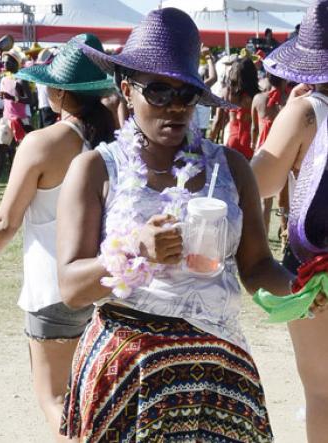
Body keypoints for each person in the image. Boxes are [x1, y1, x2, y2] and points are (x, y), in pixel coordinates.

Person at [56, 8, 301, 442]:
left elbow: (257, 265)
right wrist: (134, 249)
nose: (175, 106)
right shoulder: (95, 170)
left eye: (186, 94)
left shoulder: (232, 168)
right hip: (129, 370)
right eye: (159, 91)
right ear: (126, 90)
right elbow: (72, 288)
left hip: (219, 373)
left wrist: (299, 287)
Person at [0, 33, 115, 442]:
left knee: (56, 400)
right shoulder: (115, 142)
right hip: (106, 284)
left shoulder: (42, 144)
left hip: (53, 287)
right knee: (92, 399)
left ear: (57, 92)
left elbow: (5, 221)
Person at [252, 1, 328, 441]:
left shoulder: (307, 112)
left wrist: (281, 121)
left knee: (322, 392)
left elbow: (260, 182)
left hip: (320, 270)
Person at [0, 49, 35, 192]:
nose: (3, 64)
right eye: (3, 62)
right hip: (6, 118)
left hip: (20, 120)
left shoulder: (21, 79)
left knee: (20, 151)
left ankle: (23, 181)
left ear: (15, 63)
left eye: (7, 62)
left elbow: (31, 100)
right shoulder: (4, 79)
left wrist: (12, 97)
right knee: (0, 148)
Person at [251, 72, 288, 235]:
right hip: (283, 153)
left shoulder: (258, 99)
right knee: (283, 200)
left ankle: (264, 238)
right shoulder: (289, 102)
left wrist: (253, 145)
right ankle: (284, 234)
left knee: (265, 202)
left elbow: (254, 128)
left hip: (263, 152)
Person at [212, 57, 260, 160]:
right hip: (250, 143)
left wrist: (210, 141)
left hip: (231, 142)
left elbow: (217, 122)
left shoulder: (226, 93)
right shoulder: (257, 97)